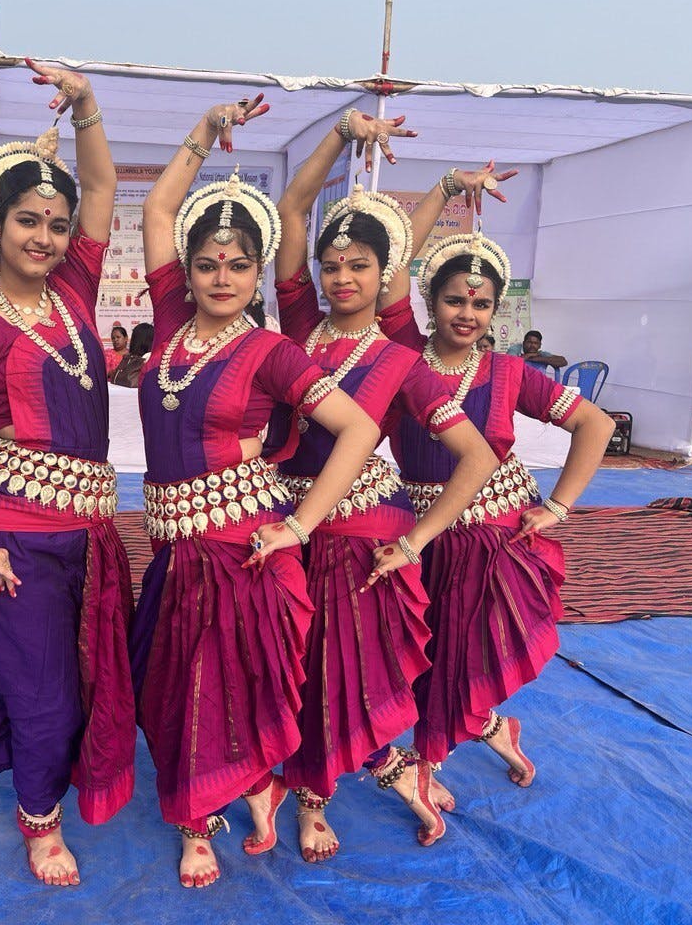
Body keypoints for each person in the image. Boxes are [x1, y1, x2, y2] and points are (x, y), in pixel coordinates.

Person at [129, 98, 382, 889]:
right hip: (175, 546)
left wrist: (301, 525)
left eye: (239, 266)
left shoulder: (272, 352)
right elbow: (159, 205)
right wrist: (203, 133)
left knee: (223, 683)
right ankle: (228, 791)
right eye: (207, 263)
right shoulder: (171, 317)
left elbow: (359, 431)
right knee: (174, 684)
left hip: (243, 547)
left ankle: (200, 819)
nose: (222, 277)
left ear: (257, 270)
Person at [0, 60, 135, 887]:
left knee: (63, 687)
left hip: (86, 536)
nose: (42, 237)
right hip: (11, 540)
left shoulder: (74, 287)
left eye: (53, 223)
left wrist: (85, 105)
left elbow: (104, 184)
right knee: (48, 701)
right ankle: (39, 824)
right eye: (25, 223)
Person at [271, 118, 504, 857]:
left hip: (363, 537)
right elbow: (293, 212)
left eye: (361, 266)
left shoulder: (402, 355)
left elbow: (476, 458)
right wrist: (341, 136)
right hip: (288, 522)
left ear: (385, 274)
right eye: (333, 265)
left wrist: (415, 540)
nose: (342, 276)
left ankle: (315, 800)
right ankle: (372, 766)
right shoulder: (299, 321)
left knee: (338, 675)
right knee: (292, 669)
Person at [377, 221, 614, 807]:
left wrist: (558, 506)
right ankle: (491, 727)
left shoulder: (508, 374)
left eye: (481, 303)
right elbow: (394, 263)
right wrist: (450, 187)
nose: (468, 313)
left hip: (491, 543)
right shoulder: (404, 358)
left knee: (451, 661)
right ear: (429, 302)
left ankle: (429, 767)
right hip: (424, 537)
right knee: (422, 658)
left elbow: (596, 424)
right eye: (455, 299)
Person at [108, 321, 153, 387]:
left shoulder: (128, 358)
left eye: (118, 337)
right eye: (113, 338)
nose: (115, 340)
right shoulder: (152, 359)